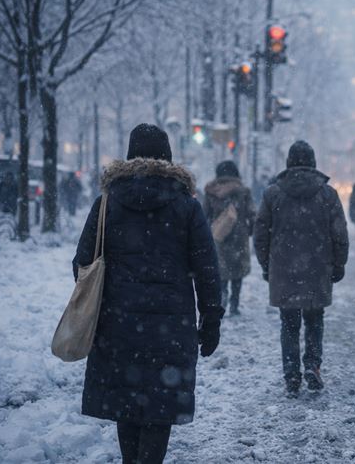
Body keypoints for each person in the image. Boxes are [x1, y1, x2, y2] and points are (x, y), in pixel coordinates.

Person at [73, 124, 222, 464]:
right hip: (170, 329)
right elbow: (207, 270)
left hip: (117, 325)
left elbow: (83, 263)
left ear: (129, 156)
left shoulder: (107, 203)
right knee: (159, 406)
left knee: (126, 403)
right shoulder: (186, 207)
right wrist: (211, 319)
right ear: (168, 158)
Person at [254, 140, 349, 397]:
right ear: (313, 162)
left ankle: (291, 374)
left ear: (288, 163)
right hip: (318, 269)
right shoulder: (327, 194)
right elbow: (339, 233)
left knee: (289, 323)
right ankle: (313, 366)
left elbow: (260, 234)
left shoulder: (273, 194)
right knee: (315, 320)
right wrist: (339, 263)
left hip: (284, 270)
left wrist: (267, 265)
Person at [203, 160, 256, 316]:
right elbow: (252, 214)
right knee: (237, 272)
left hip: (218, 236)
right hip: (239, 237)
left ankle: (223, 295)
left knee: (221, 270)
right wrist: (251, 230)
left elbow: (204, 215)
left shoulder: (211, 191)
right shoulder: (243, 191)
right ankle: (234, 303)